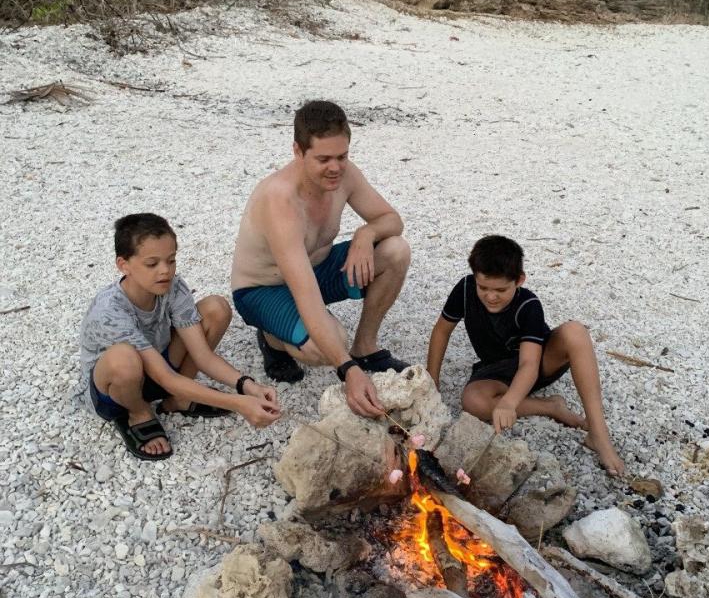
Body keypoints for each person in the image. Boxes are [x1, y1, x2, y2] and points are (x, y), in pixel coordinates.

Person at [231, 100, 411, 418]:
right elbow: (306, 296)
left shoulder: (344, 175)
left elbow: (391, 220)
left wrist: (364, 236)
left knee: (395, 250)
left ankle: (366, 346)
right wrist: (348, 371)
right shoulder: (280, 200)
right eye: (324, 159)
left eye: (342, 156)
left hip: (315, 269)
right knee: (325, 346)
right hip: (262, 289)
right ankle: (272, 337)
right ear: (298, 152)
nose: (335, 167)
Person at [80, 213, 281, 461]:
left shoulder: (173, 286)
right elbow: (166, 377)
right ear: (123, 265)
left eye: (171, 260)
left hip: (159, 367)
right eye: (152, 264)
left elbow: (203, 357)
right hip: (116, 389)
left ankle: (179, 398)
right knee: (124, 359)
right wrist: (238, 403)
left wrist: (248, 386)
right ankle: (139, 412)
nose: (165, 271)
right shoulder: (109, 311)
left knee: (215, 309)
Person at [426, 234, 625, 475]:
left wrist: (509, 403)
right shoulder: (466, 289)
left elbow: (530, 364)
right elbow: (441, 331)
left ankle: (598, 432)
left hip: (539, 362)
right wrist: (432, 381)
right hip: (496, 368)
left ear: (519, 280)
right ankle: (550, 407)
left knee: (575, 331)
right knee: (472, 401)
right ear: (475, 277)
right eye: (484, 287)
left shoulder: (528, 304)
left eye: (500, 289)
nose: (490, 296)